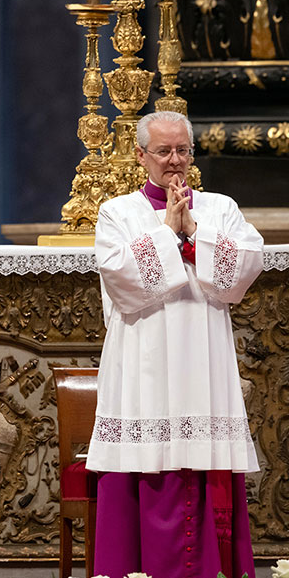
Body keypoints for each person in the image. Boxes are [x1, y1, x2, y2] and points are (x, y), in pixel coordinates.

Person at [87, 110, 263, 578]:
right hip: (144, 362)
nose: (175, 160)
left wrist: (195, 233)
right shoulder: (116, 212)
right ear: (141, 155)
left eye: (183, 150)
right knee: (147, 462)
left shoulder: (219, 208)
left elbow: (244, 269)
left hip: (203, 361)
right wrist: (168, 230)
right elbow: (121, 279)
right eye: (163, 151)